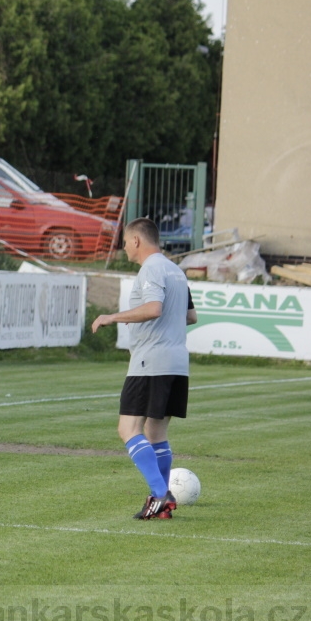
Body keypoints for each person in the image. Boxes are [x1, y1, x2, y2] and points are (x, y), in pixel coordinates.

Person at [92, 218, 197, 519]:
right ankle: (159, 502)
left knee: (128, 429)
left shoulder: (150, 269)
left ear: (136, 240)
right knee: (156, 433)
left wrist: (113, 317)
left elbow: (154, 308)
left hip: (150, 362)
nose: (124, 248)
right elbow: (191, 316)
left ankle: (161, 493)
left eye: (125, 242)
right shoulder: (176, 271)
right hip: (177, 361)